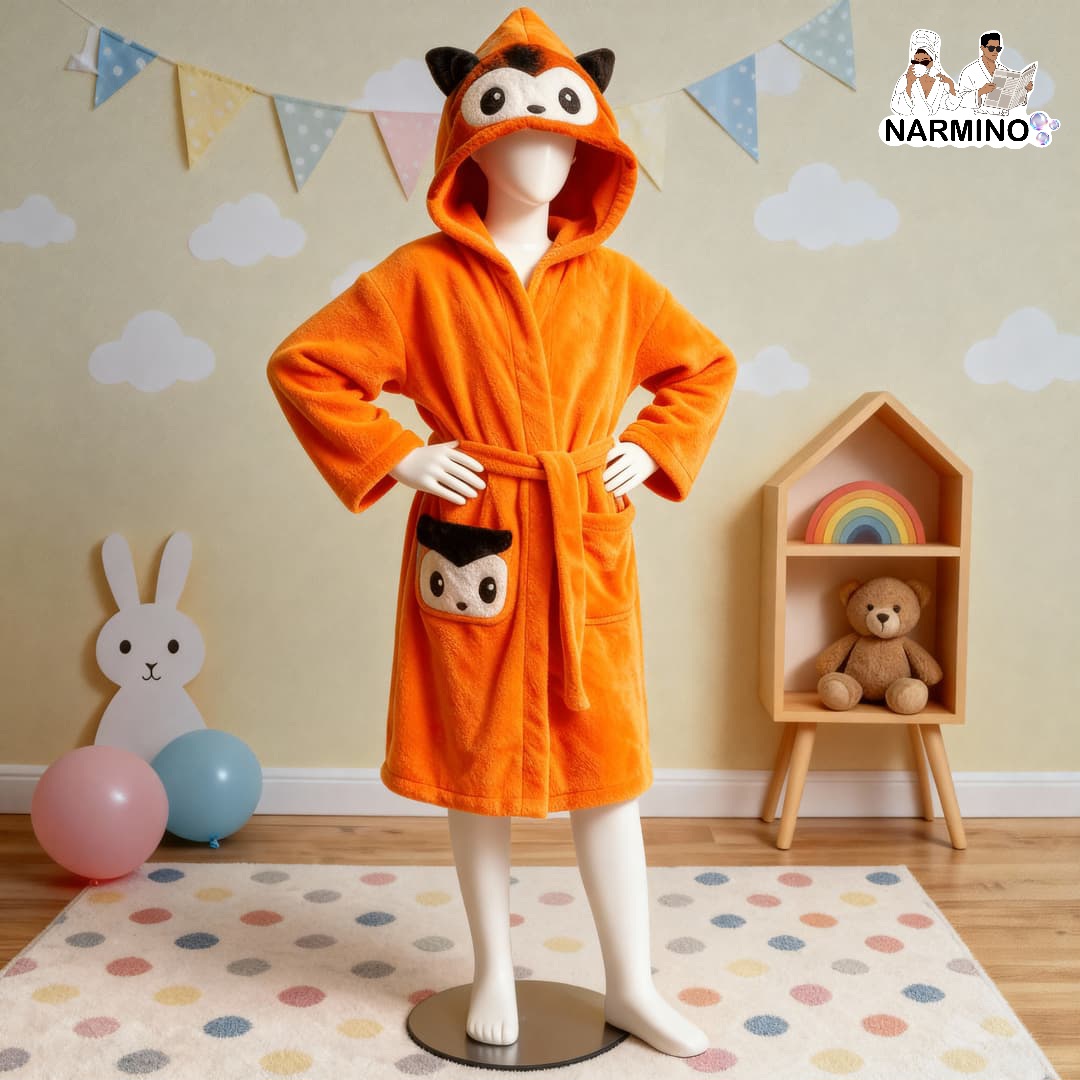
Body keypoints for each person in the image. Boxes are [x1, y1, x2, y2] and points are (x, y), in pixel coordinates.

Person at [266, 6, 737, 1058]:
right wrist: (400, 455)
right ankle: (491, 971)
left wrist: (651, 446)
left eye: (566, 135)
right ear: (469, 147)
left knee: (609, 772)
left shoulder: (616, 285)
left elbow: (704, 369)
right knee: (475, 759)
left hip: (580, 535)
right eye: (520, 133)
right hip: (473, 534)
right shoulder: (418, 278)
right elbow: (307, 367)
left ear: (591, 147)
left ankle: (632, 984)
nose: (546, 154)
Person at [955, 32, 1034, 111]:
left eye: (998, 49)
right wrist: (981, 91)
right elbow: (960, 100)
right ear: (982, 48)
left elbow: (1011, 100)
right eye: (991, 48)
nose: (995, 51)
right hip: (979, 116)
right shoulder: (969, 71)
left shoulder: (1004, 71)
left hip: (1002, 116)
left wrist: (1024, 90)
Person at [890, 28, 959, 117]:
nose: (920, 64)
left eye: (924, 62)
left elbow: (952, 105)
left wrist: (951, 85)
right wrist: (909, 85)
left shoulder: (940, 82)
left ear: (932, 62)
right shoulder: (905, 80)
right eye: (916, 61)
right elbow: (898, 107)